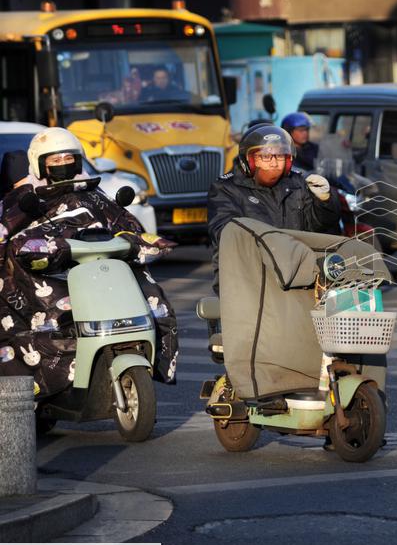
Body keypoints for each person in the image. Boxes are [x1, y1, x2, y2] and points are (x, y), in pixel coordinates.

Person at [0, 128, 178, 397]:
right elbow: (11, 237)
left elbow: (124, 223)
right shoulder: (29, 199)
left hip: (101, 268)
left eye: (67, 158)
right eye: (55, 161)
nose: (63, 164)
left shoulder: (94, 193)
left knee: (154, 297)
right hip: (54, 274)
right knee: (49, 318)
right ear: (40, 163)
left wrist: (136, 240)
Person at [207, 124, 341, 292]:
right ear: (249, 160)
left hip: (296, 273)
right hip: (247, 277)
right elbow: (224, 233)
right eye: (265, 156)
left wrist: (325, 201)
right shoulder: (226, 188)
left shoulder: (297, 184)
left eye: (279, 156)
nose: (274, 163)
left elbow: (321, 228)